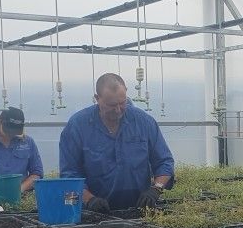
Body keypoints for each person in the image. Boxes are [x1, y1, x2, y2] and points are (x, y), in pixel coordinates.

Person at [59, 73, 174, 213]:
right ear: (97, 98)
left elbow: (165, 162)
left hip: (139, 209)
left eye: (122, 102)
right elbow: (68, 175)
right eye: (112, 105)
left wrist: (156, 189)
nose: (118, 110)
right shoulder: (77, 125)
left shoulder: (144, 122)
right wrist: (88, 199)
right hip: (93, 212)